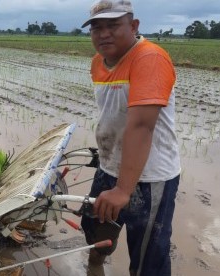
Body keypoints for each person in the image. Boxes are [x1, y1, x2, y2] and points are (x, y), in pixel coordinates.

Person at [79, 1, 181, 275]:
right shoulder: (98, 62)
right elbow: (112, 115)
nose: (103, 34)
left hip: (149, 178)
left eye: (113, 25)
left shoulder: (149, 58)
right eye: (97, 28)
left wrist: (124, 190)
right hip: (109, 167)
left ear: (134, 26)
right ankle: (95, 268)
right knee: (97, 231)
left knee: (149, 254)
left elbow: (142, 126)